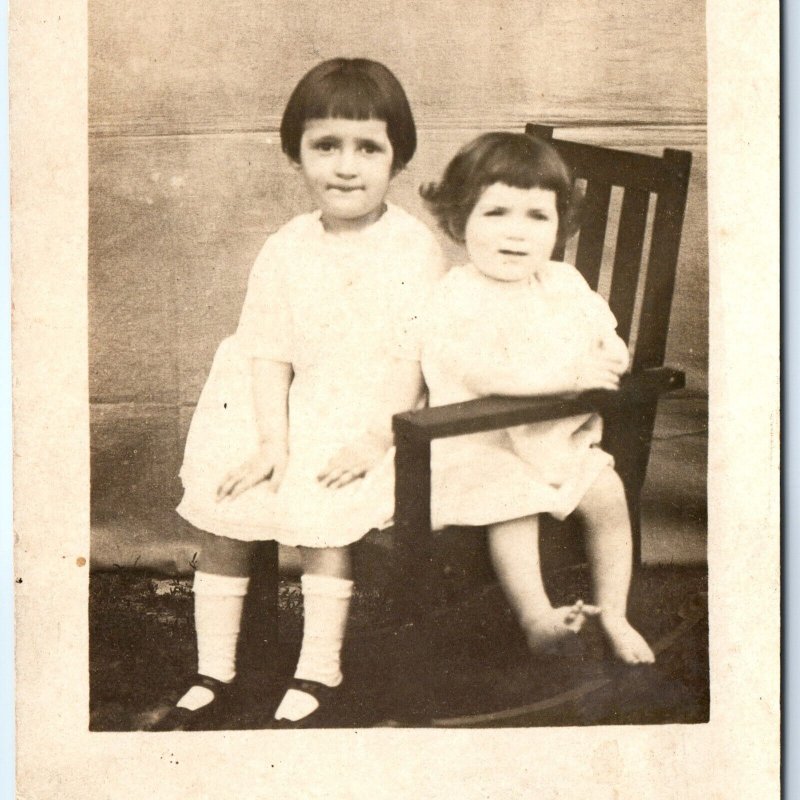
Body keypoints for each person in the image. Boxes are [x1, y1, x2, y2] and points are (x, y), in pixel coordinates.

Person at [146, 58, 445, 730]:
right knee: (232, 497)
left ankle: (320, 666)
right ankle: (214, 668)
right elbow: (266, 348)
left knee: (324, 503)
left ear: (398, 158)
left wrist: (375, 439)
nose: (346, 166)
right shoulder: (286, 246)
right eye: (326, 145)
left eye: (368, 147)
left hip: (377, 414)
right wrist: (271, 441)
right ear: (297, 153)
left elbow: (412, 357)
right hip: (286, 403)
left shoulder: (411, 248)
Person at [419, 132, 654, 665]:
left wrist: (612, 353)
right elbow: (478, 369)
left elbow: (604, 330)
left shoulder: (565, 283)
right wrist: (568, 373)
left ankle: (614, 612)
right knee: (513, 501)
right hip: (480, 448)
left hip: (557, 442)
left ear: (559, 226)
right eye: (496, 212)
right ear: (460, 220)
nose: (516, 233)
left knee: (608, 493)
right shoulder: (458, 294)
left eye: (536, 216)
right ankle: (537, 617)